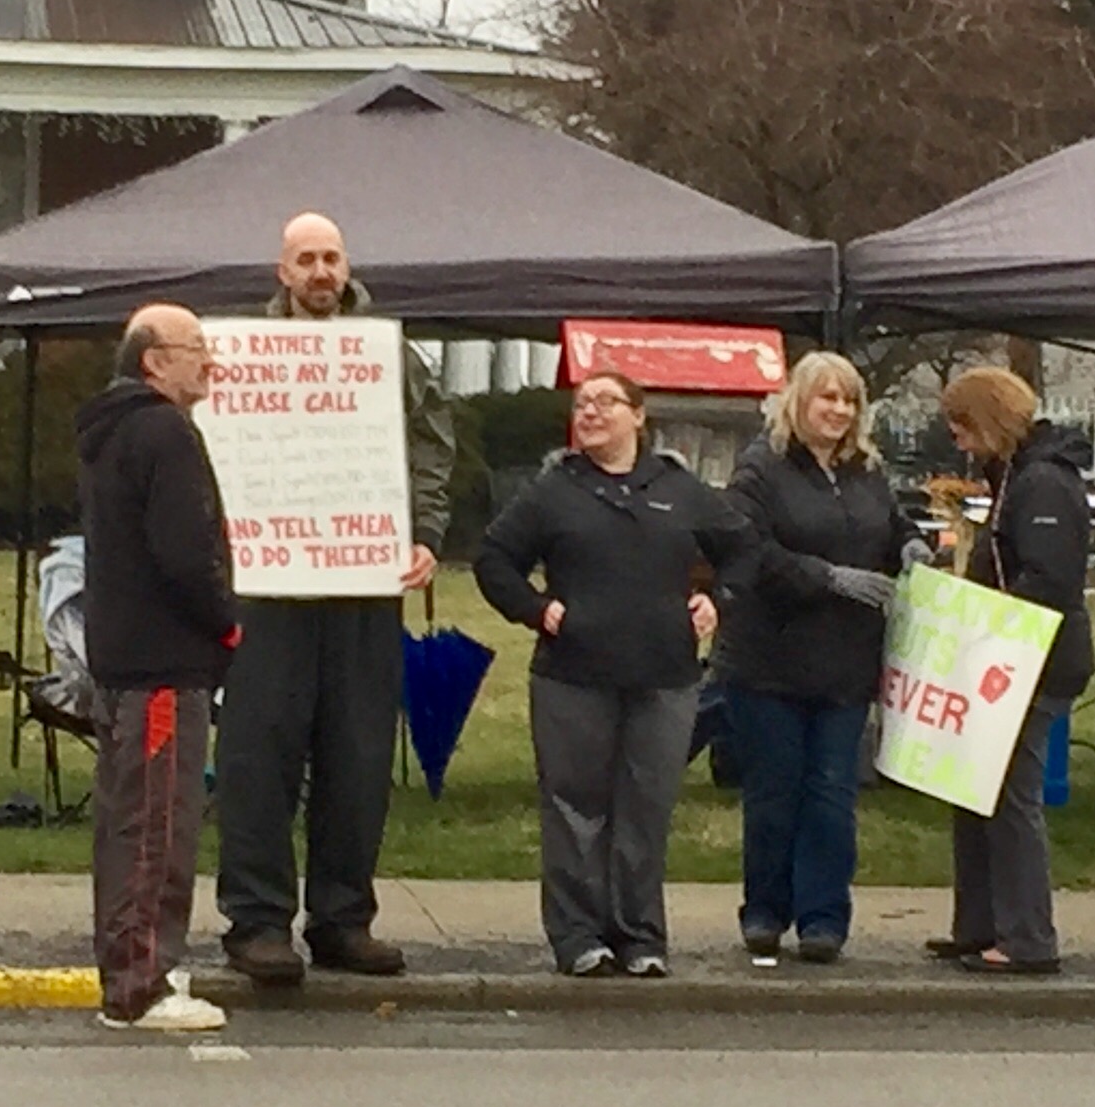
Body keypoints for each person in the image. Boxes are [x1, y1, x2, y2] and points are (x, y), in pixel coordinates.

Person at [215, 212, 454, 986]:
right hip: (269, 588)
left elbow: (431, 444)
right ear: (281, 271)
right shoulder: (240, 354)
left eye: (332, 257)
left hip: (362, 585)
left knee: (357, 758)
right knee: (260, 757)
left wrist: (425, 532)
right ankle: (256, 921)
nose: (321, 271)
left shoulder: (389, 352)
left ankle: (343, 917)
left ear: (347, 267)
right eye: (306, 259)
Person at [476, 368, 757, 977]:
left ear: (638, 415)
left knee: (646, 806)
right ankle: (578, 935)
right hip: (573, 675)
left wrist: (719, 601)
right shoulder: (554, 491)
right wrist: (536, 609)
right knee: (575, 807)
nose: (592, 412)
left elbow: (744, 550)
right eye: (582, 404)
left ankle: (640, 935)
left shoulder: (677, 489)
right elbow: (494, 558)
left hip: (665, 678)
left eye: (606, 402)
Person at [75, 303, 241, 1032]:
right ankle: (140, 980)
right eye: (196, 348)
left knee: (125, 817)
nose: (210, 361)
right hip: (163, 663)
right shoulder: (164, 431)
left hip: (120, 656)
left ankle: (127, 963)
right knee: (157, 822)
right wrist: (227, 617)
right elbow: (184, 549)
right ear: (153, 360)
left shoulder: (109, 432)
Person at [721, 351, 913, 965]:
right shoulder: (759, 470)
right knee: (775, 793)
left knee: (833, 795)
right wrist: (827, 577)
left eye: (849, 399)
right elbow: (748, 550)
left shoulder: (867, 472)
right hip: (769, 662)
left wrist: (910, 543)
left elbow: (890, 522)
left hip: (846, 666)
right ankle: (766, 910)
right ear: (797, 402)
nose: (838, 410)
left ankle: (825, 917)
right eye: (826, 397)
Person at [927, 367, 1095, 976]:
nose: (958, 441)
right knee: (974, 787)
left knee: (1008, 795)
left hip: (1036, 659)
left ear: (989, 420)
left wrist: (986, 619)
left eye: (962, 425)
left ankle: (1027, 935)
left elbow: (1047, 580)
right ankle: (979, 924)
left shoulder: (1044, 483)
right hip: (1008, 653)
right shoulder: (1016, 476)